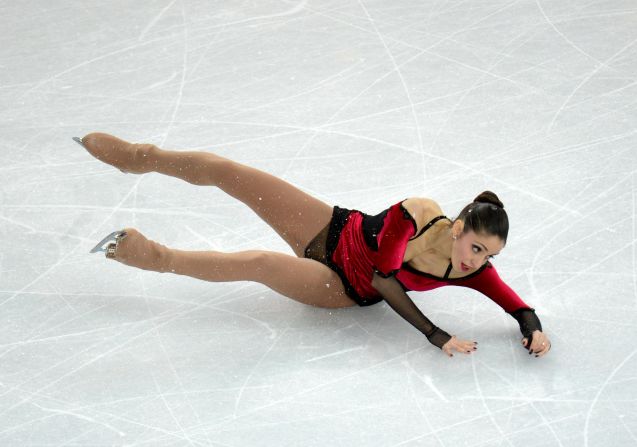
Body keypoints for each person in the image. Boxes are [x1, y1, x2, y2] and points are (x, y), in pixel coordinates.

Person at [75, 133, 552, 359]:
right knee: (232, 173)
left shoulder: (472, 271)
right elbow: (388, 270)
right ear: (459, 227)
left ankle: (156, 258)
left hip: (343, 286)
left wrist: (532, 329)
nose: (476, 261)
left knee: (261, 263)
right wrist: (437, 334)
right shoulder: (420, 212)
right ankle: (141, 157)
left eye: (487, 256)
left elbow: (517, 306)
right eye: (475, 247)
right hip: (333, 228)